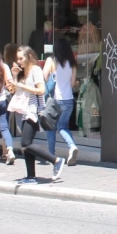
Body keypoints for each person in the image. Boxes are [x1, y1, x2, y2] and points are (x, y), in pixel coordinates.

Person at [11, 45, 66, 185]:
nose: (19, 61)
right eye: (17, 59)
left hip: (34, 111)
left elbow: (41, 90)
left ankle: (56, 160)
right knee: (26, 144)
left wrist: (22, 86)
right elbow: (13, 90)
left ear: (29, 57)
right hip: (24, 111)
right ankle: (31, 176)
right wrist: (15, 75)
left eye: (21, 58)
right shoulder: (23, 72)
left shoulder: (35, 70)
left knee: (25, 143)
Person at [43, 38, 79, 166]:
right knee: (63, 127)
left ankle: (52, 154)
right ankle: (71, 146)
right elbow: (73, 84)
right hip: (69, 100)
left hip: (56, 100)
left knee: (52, 128)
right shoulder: (72, 63)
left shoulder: (52, 60)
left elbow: (44, 76)